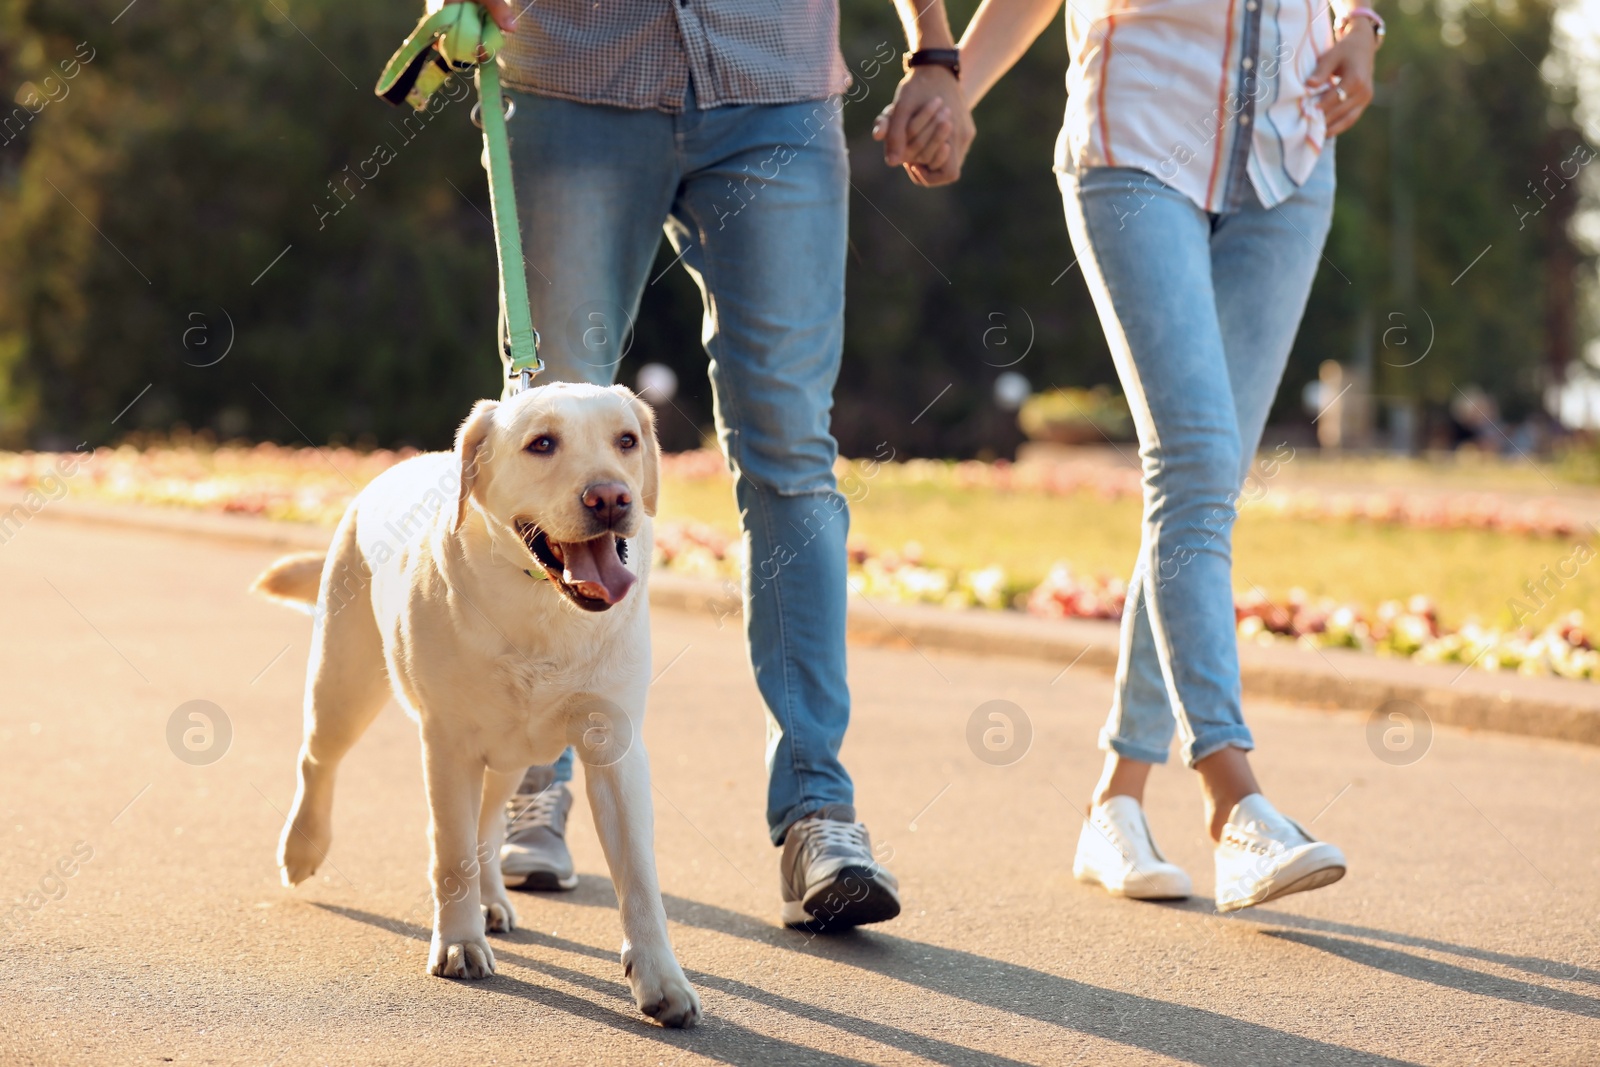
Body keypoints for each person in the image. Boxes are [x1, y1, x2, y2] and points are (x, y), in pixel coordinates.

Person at [452, 0, 973, 930]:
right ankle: (535, 772)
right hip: (574, 73)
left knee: (791, 452)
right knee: (549, 440)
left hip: (774, 84)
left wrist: (935, 49)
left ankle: (819, 810)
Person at [882, 0, 1381, 910]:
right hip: (1139, 141)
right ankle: (1235, 801)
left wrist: (1361, 26)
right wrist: (951, 82)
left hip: (1292, 153)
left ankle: (1114, 799)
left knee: (1208, 486)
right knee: (1192, 460)